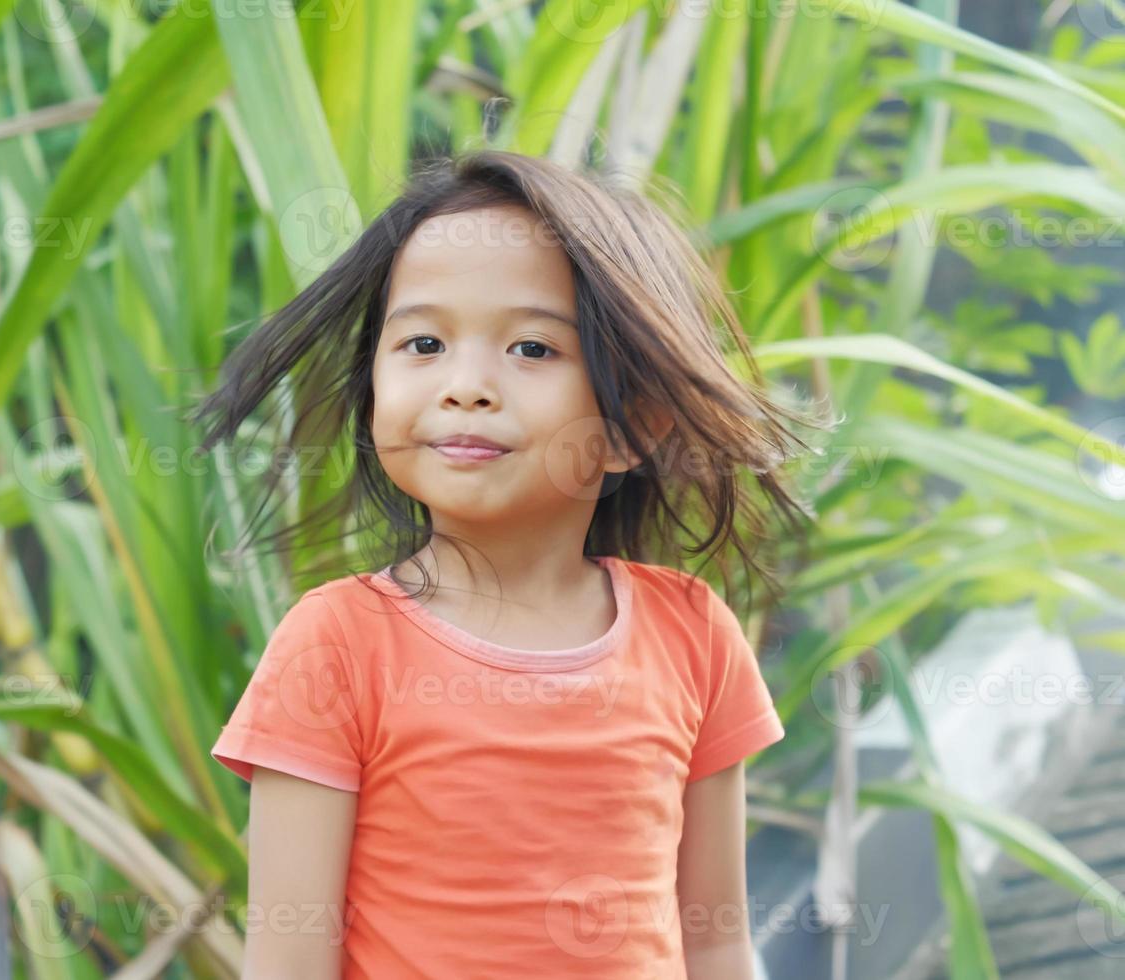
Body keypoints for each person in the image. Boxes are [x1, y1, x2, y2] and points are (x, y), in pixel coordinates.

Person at [187, 149, 828, 979]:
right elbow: (288, 958)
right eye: (423, 342)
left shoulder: (693, 635)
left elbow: (713, 938)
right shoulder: (337, 644)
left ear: (636, 423)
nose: (466, 385)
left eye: (531, 350)